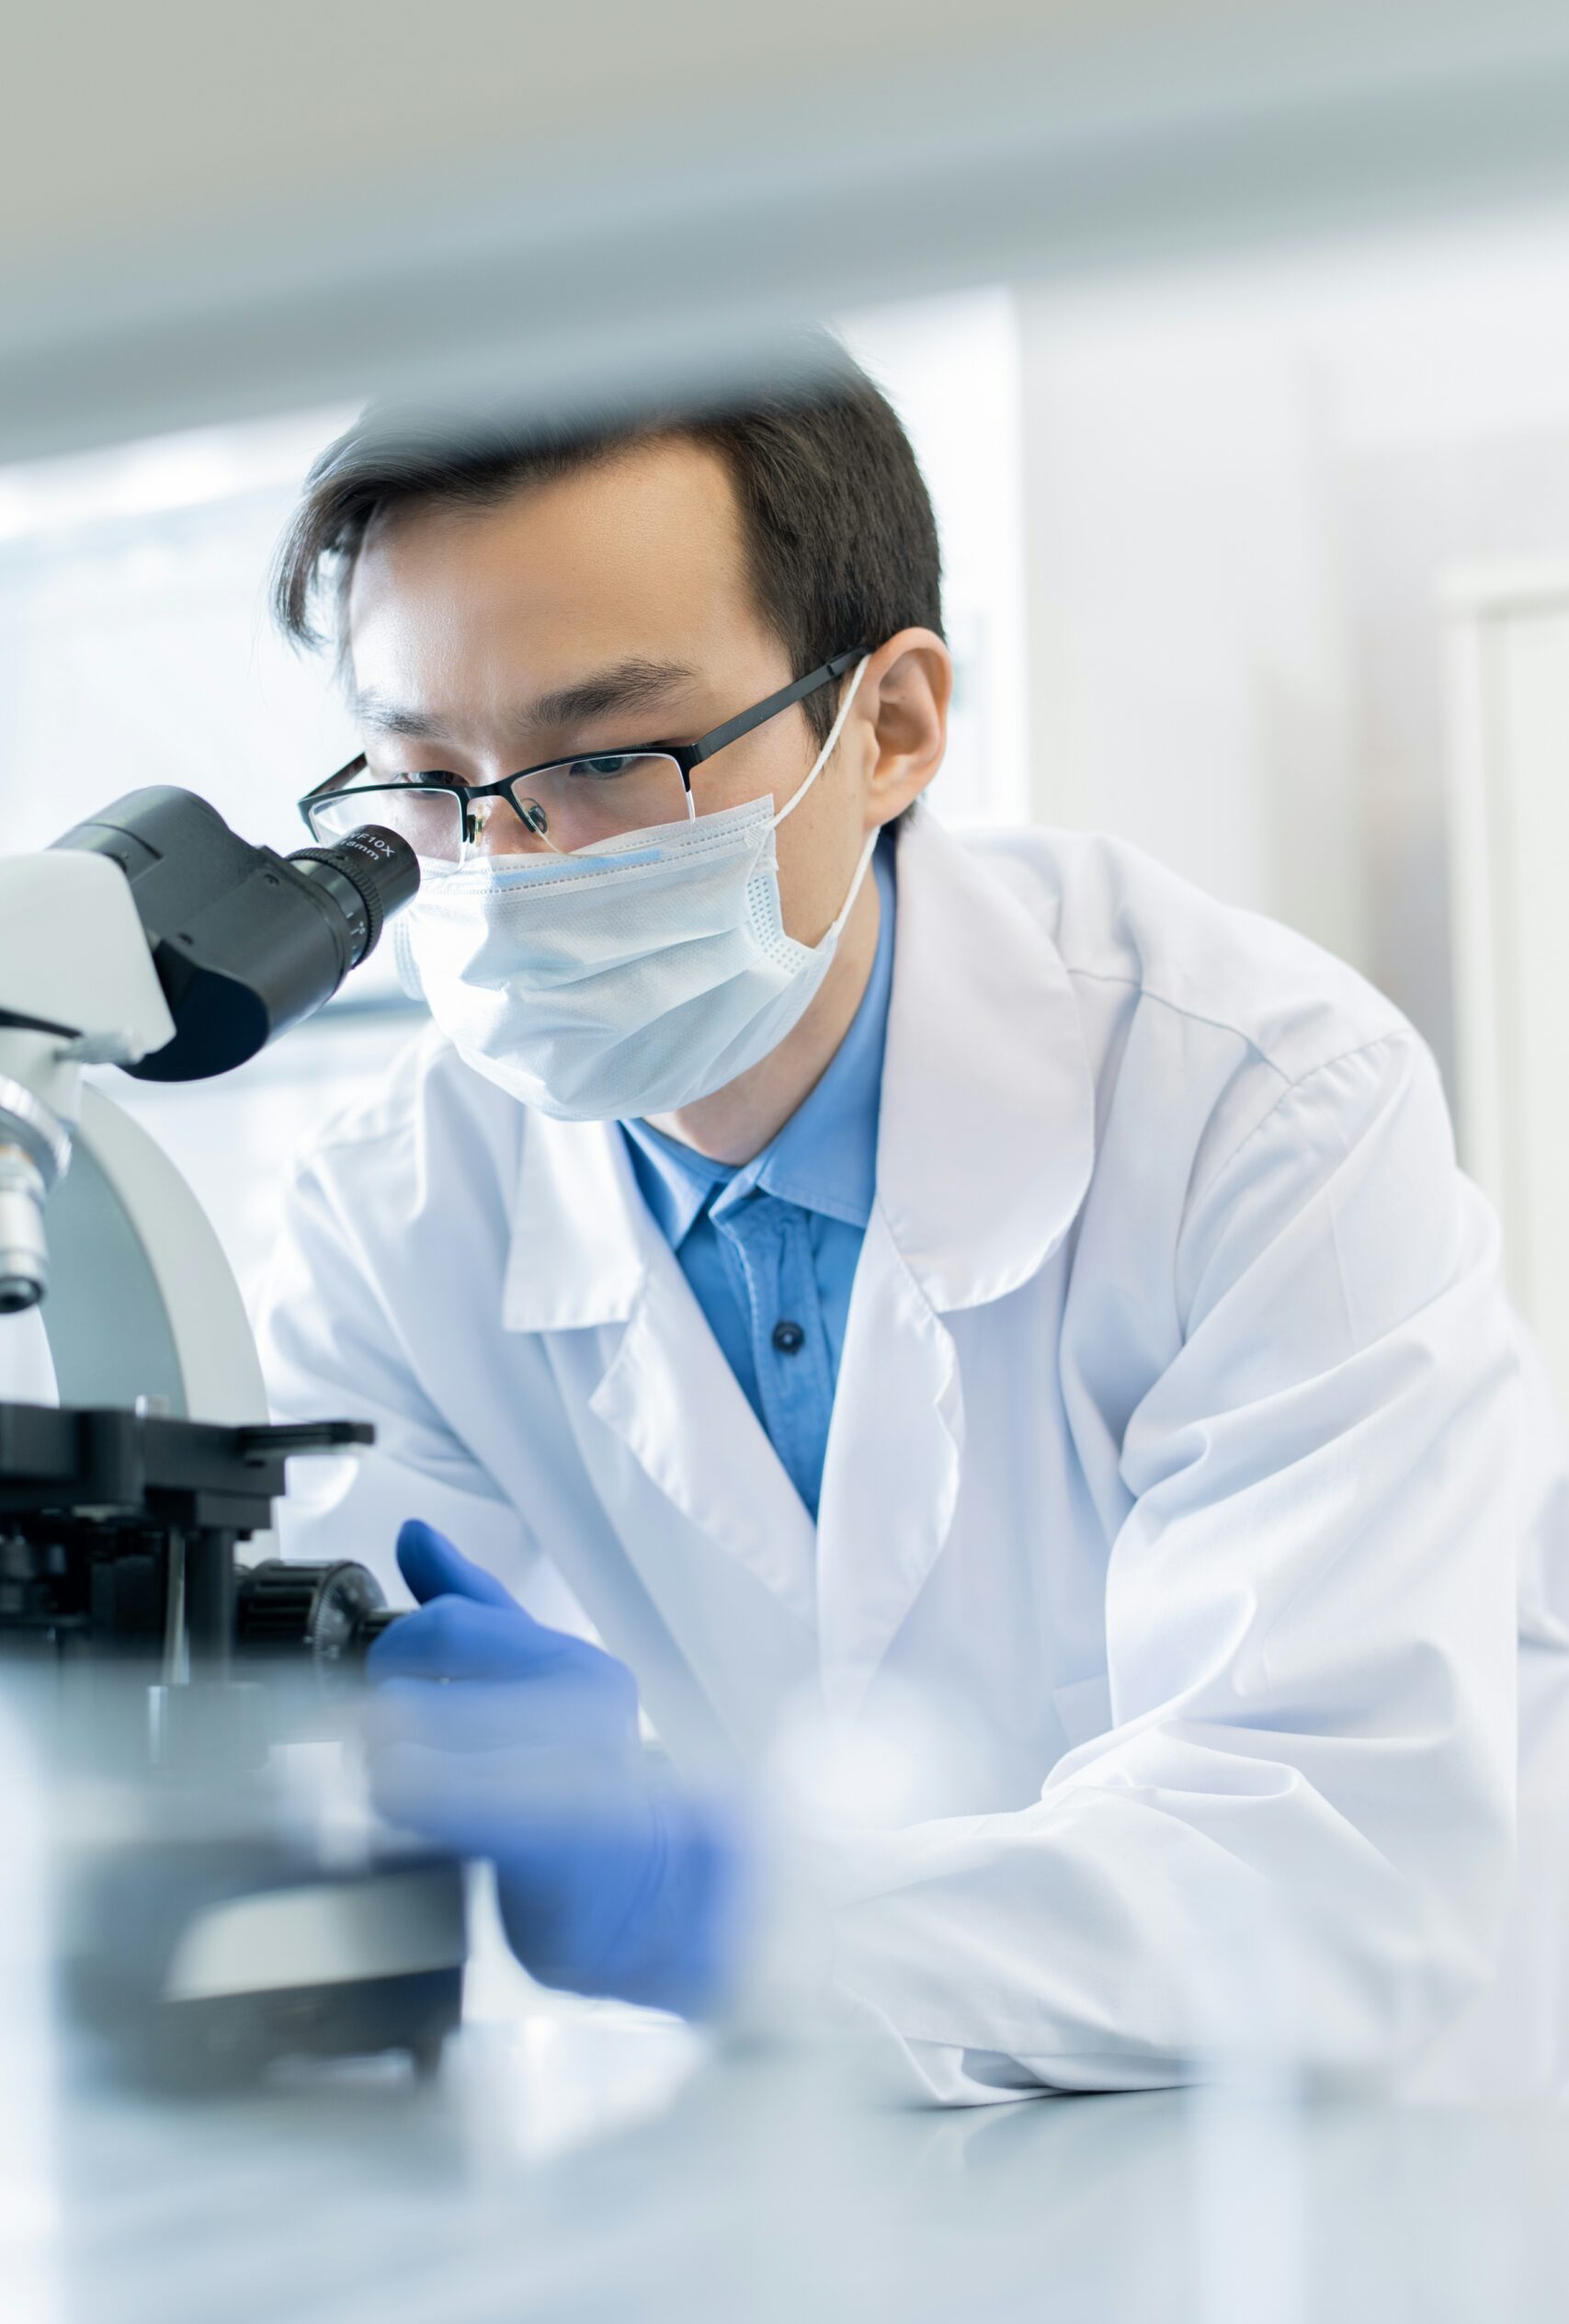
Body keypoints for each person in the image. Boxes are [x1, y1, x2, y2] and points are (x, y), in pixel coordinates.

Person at [260, 335, 1569, 2104]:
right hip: (812, 2191)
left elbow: (1324, 1859)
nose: (512, 870)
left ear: (890, 727)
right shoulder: (395, 1212)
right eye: (429, 782)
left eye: (614, 758)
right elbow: (270, 1776)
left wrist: (704, 1904)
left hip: (1337, 2165)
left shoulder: (1257, 1101)